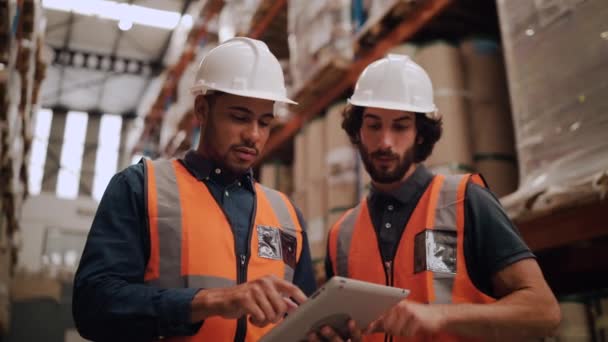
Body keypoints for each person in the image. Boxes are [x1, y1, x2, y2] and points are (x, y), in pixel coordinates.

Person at [73, 37, 316, 342]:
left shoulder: (287, 216)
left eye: (264, 122)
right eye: (239, 117)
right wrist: (210, 301)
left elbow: (303, 317)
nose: (253, 135)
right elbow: (93, 306)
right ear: (202, 109)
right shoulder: (141, 187)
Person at [309, 54, 560, 341]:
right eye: (374, 125)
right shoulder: (341, 235)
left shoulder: (467, 201)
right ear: (358, 130)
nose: (385, 142)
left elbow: (544, 312)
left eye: (400, 126)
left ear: (419, 133)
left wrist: (441, 316)